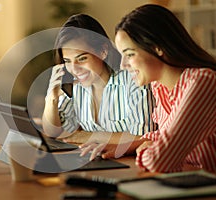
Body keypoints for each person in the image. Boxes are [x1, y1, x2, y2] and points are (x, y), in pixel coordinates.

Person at [80, 4, 216, 173]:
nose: (123, 65)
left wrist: (144, 149)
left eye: (129, 54)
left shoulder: (202, 82)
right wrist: (123, 146)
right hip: (185, 183)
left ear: (157, 47)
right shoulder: (160, 86)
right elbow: (161, 136)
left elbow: (159, 161)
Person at [42, 14, 156, 147]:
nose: (74, 69)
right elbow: (53, 132)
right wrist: (52, 98)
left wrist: (92, 136)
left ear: (103, 51)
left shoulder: (133, 80)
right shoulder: (77, 86)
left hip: (133, 163)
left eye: (82, 58)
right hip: (100, 160)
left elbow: (144, 136)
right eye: (68, 61)